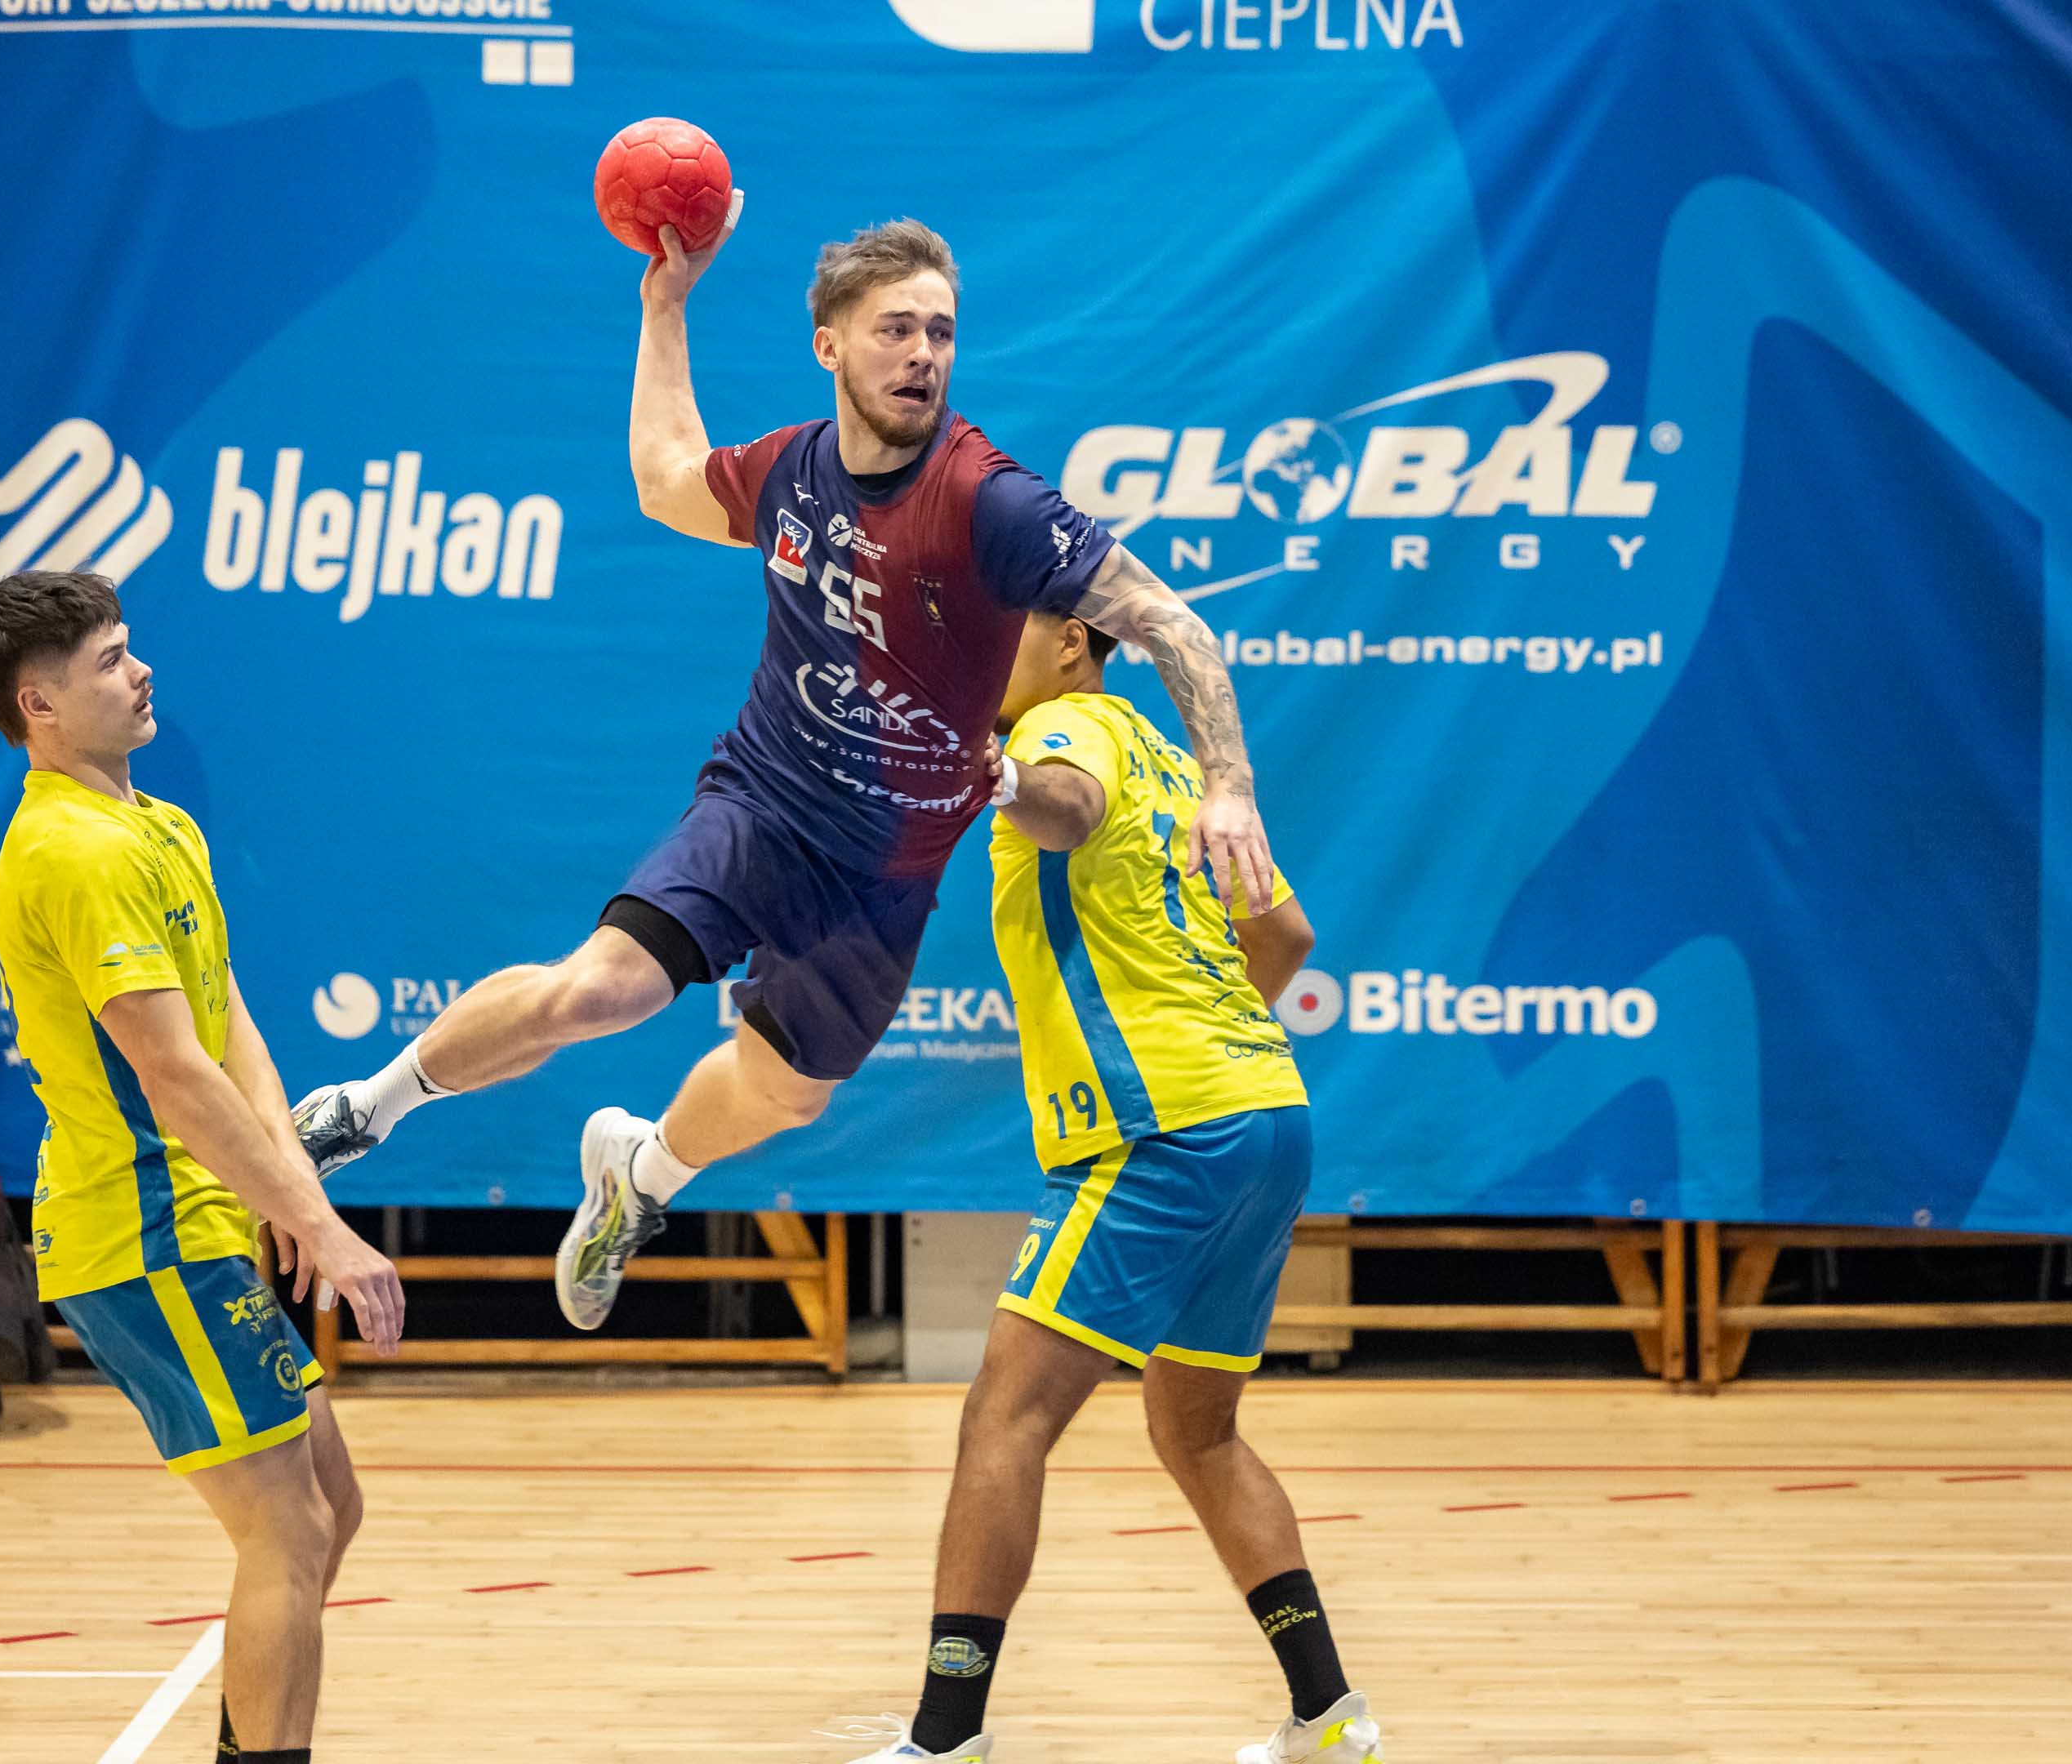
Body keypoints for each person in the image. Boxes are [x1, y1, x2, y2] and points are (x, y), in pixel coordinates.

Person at [291, 204, 1279, 1334]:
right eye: (895, 329)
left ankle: (639, 1178)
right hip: (763, 808)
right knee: (603, 991)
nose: (923, 354)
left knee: (785, 1095)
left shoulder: (988, 501)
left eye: (941, 333)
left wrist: (1231, 785)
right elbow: (665, 479)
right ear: (830, 345)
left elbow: (1169, 622)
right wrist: (666, 307)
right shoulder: (791, 474)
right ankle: (362, 1108)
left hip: (885, 875)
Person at [823, 614, 1380, 1764]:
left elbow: (1065, 807)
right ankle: (1329, 1718)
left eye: (1005, 624)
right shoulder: (1176, 762)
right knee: (1197, 1430)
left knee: (1005, 1416)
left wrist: (1005, 776)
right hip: (1265, 1111)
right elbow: (1285, 932)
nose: (979, 645)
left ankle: (944, 1738)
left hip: (1161, 1132)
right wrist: (1210, 1041)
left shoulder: (1062, 731)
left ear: (1076, 640)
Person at [0, 570, 407, 1764]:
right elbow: (172, 1076)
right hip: (142, 1232)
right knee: (289, 1527)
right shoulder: (70, 851)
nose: (141, 669)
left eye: (129, 646)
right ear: (38, 705)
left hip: (203, 1215)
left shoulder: (160, 827)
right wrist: (323, 1229)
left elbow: (228, 1025)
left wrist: (288, 1188)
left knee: (329, 1508)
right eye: (109, 660)